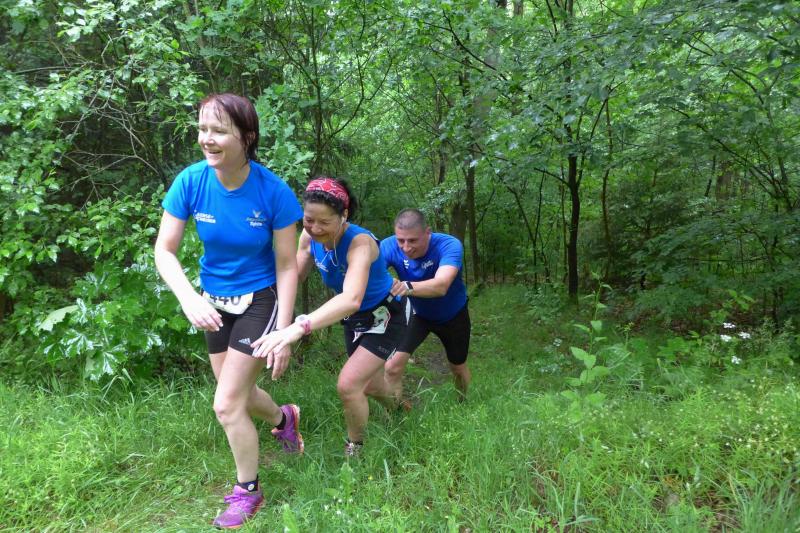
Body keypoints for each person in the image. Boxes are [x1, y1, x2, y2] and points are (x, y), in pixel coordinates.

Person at [153, 93, 304, 529]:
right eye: (203, 129)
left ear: (247, 137)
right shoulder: (191, 181)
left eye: (219, 130)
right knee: (236, 393)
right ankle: (284, 418)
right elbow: (164, 250)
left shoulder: (273, 192)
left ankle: (248, 491)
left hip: (260, 300)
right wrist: (189, 297)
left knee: (225, 404)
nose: (207, 138)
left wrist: (284, 331)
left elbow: (287, 265)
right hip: (213, 301)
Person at [253, 177, 409, 457]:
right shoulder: (308, 238)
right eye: (308, 220)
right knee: (371, 385)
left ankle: (356, 450)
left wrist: (299, 327)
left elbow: (351, 298)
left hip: (384, 314)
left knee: (349, 385)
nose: (315, 228)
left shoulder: (360, 243)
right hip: (353, 319)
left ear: (343, 215)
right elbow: (293, 278)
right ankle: (399, 409)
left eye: (324, 222)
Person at [380, 208, 473, 401]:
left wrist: (405, 286)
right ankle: (397, 413)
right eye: (401, 240)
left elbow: (441, 286)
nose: (406, 247)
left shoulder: (448, 245)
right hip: (419, 316)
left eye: (412, 240)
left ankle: (463, 403)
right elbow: (369, 274)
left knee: (457, 367)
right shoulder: (388, 246)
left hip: (453, 316)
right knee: (391, 368)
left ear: (428, 232)